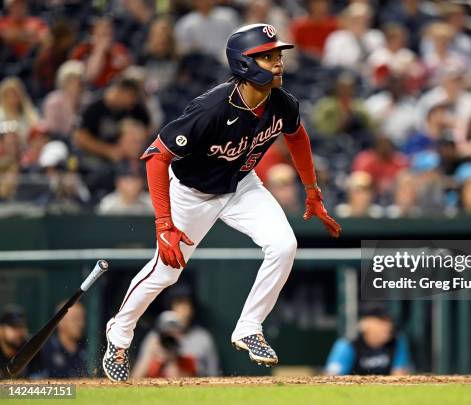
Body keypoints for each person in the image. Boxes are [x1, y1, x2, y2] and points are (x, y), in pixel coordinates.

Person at [102, 24, 341, 382]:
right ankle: (118, 335)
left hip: (241, 186)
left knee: (284, 244)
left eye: (278, 55)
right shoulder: (212, 107)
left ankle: (249, 327)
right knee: (166, 272)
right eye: (268, 55)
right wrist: (164, 224)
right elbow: (155, 157)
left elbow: (297, 137)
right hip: (191, 192)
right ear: (244, 63)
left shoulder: (282, 103)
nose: (278, 62)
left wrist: (312, 191)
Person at [133, 284, 219, 377]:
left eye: (187, 304)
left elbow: (213, 377)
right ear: (171, 308)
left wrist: (174, 358)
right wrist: (151, 355)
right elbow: (135, 378)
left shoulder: (202, 338)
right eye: (178, 303)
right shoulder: (155, 338)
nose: (183, 309)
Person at [325, 306, 411, 375]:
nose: (387, 326)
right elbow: (332, 377)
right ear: (365, 324)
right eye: (381, 321)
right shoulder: (347, 345)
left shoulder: (396, 343)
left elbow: (399, 375)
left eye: (389, 322)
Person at [35, 302, 88, 378]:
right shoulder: (44, 349)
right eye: (76, 319)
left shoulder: (89, 348)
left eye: (82, 319)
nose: (81, 324)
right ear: (60, 321)